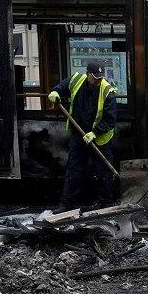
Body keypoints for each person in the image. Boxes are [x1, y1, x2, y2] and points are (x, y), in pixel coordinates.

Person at [48, 61, 118, 211]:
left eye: (100, 77)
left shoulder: (107, 92)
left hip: (100, 137)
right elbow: (62, 87)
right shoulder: (76, 80)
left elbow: (110, 120)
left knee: (102, 170)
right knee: (74, 168)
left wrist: (95, 132)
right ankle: (66, 204)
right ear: (87, 74)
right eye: (95, 77)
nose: (98, 80)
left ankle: (106, 204)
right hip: (78, 133)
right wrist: (55, 92)